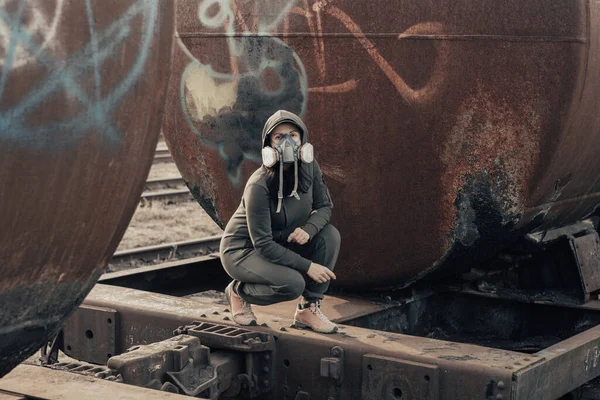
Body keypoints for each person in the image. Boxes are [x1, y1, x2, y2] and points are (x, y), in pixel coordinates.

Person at [219, 110, 341, 334]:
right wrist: (308, 266)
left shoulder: (309, 167)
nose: (287, 142)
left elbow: (325, 206)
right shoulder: (258, 185)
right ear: (268, 145)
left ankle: (308, 309)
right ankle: (237, 291)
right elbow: (263, 244)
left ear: (302, 140)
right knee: (293, 284)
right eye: (279, 137)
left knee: (330, 236)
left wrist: (309, 229)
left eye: (293, 135)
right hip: (243, 251)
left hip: (280, 241)